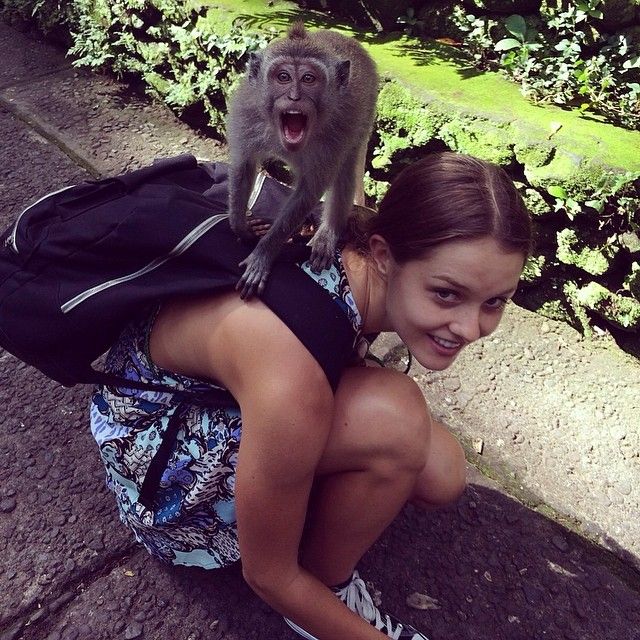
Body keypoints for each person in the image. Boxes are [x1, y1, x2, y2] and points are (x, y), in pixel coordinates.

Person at [90, 151, 532, 640]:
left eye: (494, 301)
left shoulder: (355, 249)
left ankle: (310, 528)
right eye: (447, 293)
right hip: (164, 477)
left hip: (232, 401)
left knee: (440, 472)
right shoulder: (290, 362)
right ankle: (325, 592)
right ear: (384, 255)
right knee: (395, 420)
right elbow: (269, 576)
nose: (470, 328)